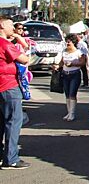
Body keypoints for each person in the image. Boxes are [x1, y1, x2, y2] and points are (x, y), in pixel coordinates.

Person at [0, 15, 30, 169]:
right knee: (13, 121)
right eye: (10, 25)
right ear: (1, 27)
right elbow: (24, 59)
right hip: (8, 86)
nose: (13, 28)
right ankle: (11, 158)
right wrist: (19, 40)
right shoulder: (5, 43)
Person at [59, 34, 86, 121]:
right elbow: (61, 62)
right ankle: (68, 112)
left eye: (69, 42)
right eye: (66, 41)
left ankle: (72, 113)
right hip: (65, 74)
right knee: (67, 94)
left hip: (75, 74)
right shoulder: (64, 51)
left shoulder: (79, 52)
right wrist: (57, 66)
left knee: (72, 94)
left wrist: (73, 64)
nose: (67, 43)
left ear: (73, 42)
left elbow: (82, 63)